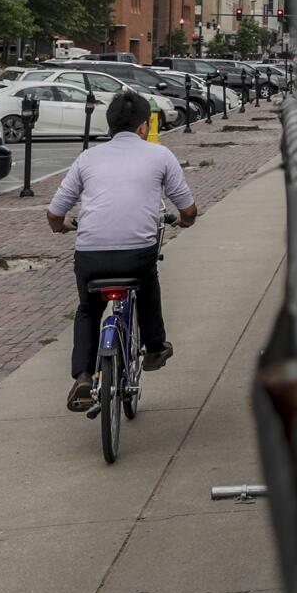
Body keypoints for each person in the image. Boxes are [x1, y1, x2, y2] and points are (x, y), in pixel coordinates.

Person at [46, 89, 198, 411]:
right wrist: (184, 221)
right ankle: (155, 348)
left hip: (90, 257)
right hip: (136, 255)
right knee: (147, 282)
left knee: (88, 310)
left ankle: (84, 376)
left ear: (110, 125)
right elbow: (188, 209)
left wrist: (61, 226)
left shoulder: (88, 158)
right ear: (144, 126)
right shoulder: (159, 155)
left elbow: (54, 213)